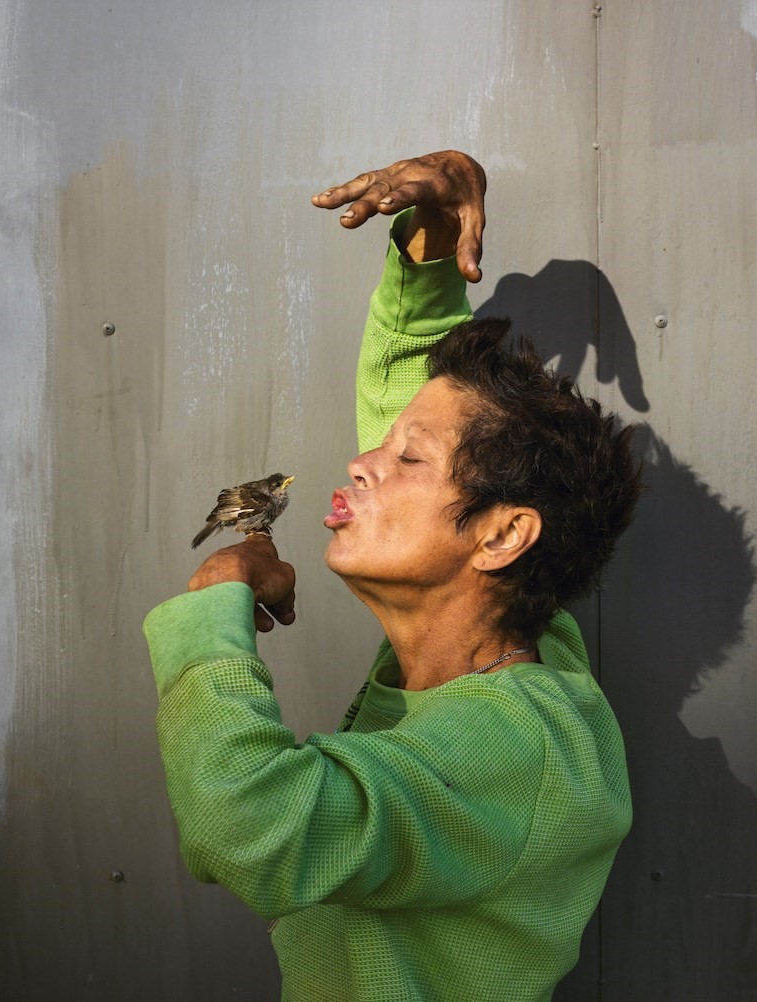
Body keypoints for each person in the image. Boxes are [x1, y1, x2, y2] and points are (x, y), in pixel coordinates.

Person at [144, 150, 641, 1000]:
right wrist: (433, 242)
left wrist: (217, 599)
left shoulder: (517, 748)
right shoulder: (518, 635)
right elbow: (428, 420)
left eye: (406, 457)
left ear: (501, 535)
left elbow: (252, 823)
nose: (362, 462)